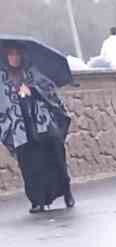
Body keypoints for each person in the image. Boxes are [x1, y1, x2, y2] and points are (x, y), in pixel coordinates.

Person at [2, 41, 74, 213]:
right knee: (30, 166)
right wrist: (15, 95)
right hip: (20, 129)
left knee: (56, 160)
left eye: (17, 54)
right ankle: (37, 200)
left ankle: (66, 191)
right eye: (11, 54)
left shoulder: (33, 72)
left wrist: (33, 90)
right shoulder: (2, 78)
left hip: (43, 126)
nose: (14, 58)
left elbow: (50, 92)